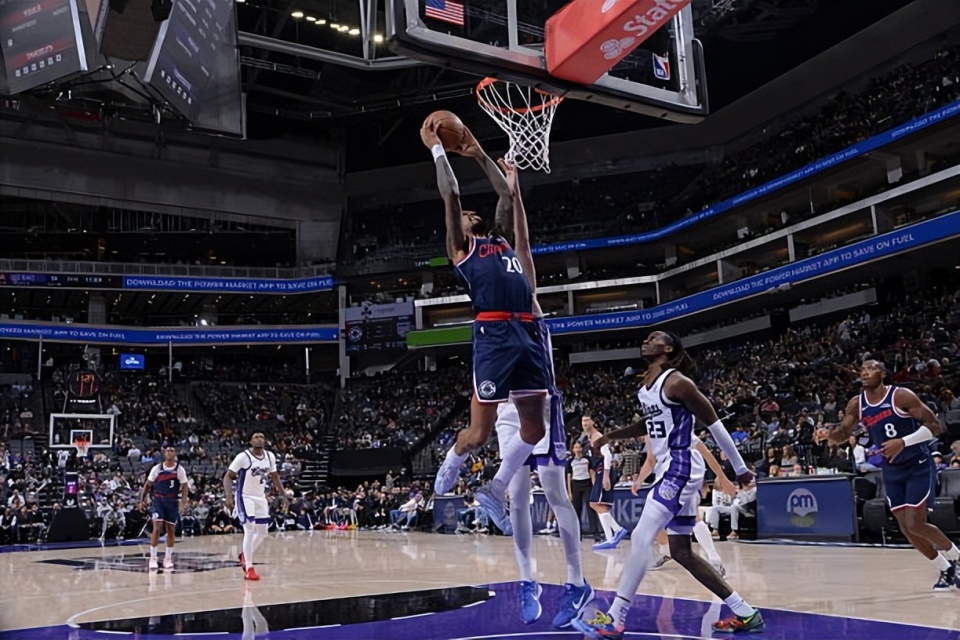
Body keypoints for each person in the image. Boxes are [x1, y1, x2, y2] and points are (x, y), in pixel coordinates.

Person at [574, 331, 765, 638]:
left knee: (641, 536)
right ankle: (746, 613)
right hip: (671, 468)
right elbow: (647, 424)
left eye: (653, 338)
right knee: (681, 552)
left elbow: (714, 424)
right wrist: (611, 436)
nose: (645, 340)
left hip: (680, 466)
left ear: (668, 347)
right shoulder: (646, 387)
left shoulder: (677, 382)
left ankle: (615, 618)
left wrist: (739, 469)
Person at [422, 117, 549, 534]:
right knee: (478, 435)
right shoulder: (462, 248)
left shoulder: (502, 239)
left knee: (535, 428)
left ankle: (494, 489)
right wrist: (437, 148)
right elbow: (452, 193)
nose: (468, 214)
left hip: (527, 331)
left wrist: (477, 152)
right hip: (493, 334)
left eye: (471, 214)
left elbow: (506, 195)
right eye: (463, 215)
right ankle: (453, 460)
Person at [816, 360, 960, 591]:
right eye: (862, 369)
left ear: (882, 374)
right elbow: (844, 432)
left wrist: (903, 442)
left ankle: (957, 557)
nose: (865, 373)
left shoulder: (901, 396)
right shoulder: (857, 404)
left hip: (917, 464)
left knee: (916, 523)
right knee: (906, 527)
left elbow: (935, 426)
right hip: (892, 469)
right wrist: (829, 435)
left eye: (870, 369)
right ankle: (945, 568)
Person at [224, 432, 288, 581]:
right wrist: (228, 496)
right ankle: (249, 568)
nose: (259, 439)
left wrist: (283, 493)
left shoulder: (270, 456)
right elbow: (228, 476)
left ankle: (244, 555)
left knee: (263, 532)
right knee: (249, 529)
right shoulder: (243, 457)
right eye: (256, 437)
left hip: (260, 497)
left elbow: (274, 476)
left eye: (262, 437)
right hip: (244, 496)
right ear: (250, 441)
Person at [582, 415, 628, 550]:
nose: (584, 423)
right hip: (600, 471)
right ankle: (611, 537)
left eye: (587, 420)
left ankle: (616, 531)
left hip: (604, 470)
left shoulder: (597, 436)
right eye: (583, 421)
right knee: (600, 505)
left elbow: (608, 455)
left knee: (595, 503)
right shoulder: (590, 437)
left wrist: (606, 476)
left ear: (593, 422)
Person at [140, 445, 189, 571]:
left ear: (175, 453)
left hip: (172, 501)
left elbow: (184, 486)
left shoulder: (179, 469)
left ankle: (168, 558)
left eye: (172, 450)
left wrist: (183, 501)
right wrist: (141, 500)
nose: (170, 453)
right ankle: (153, 558)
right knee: (157, 527)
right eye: (168, 451)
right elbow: (147, 485)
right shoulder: (157, 468)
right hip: (159, 500)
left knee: (171, 529)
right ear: (164, 453)